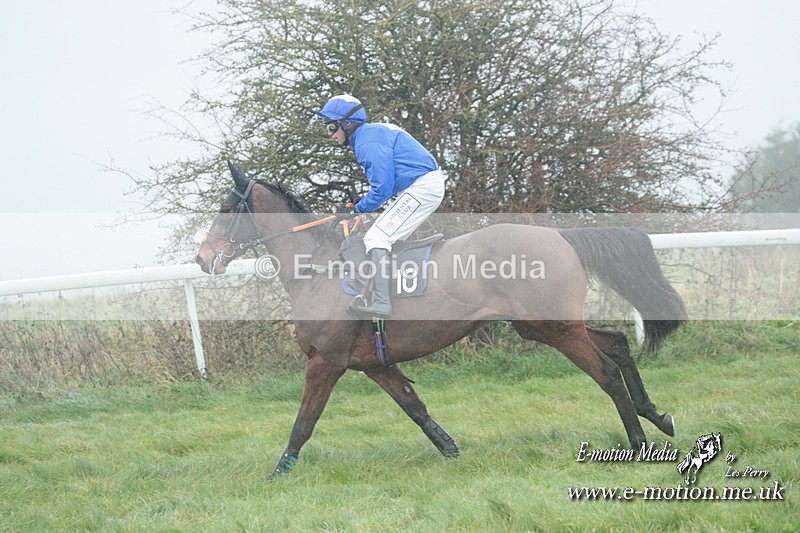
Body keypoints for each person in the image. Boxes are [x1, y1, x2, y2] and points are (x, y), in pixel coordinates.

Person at [314, 94, 445, 318]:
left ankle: (382, 303)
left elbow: (382, 188)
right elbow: (387, 185)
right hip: (417, 186)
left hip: (422, 187)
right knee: (383, 238)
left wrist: (357, 209)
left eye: (331, 126)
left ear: (348, 124)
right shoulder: (370, 135)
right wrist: (359, 207)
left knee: (377, 238)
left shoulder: (367, 143)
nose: (330, 133)